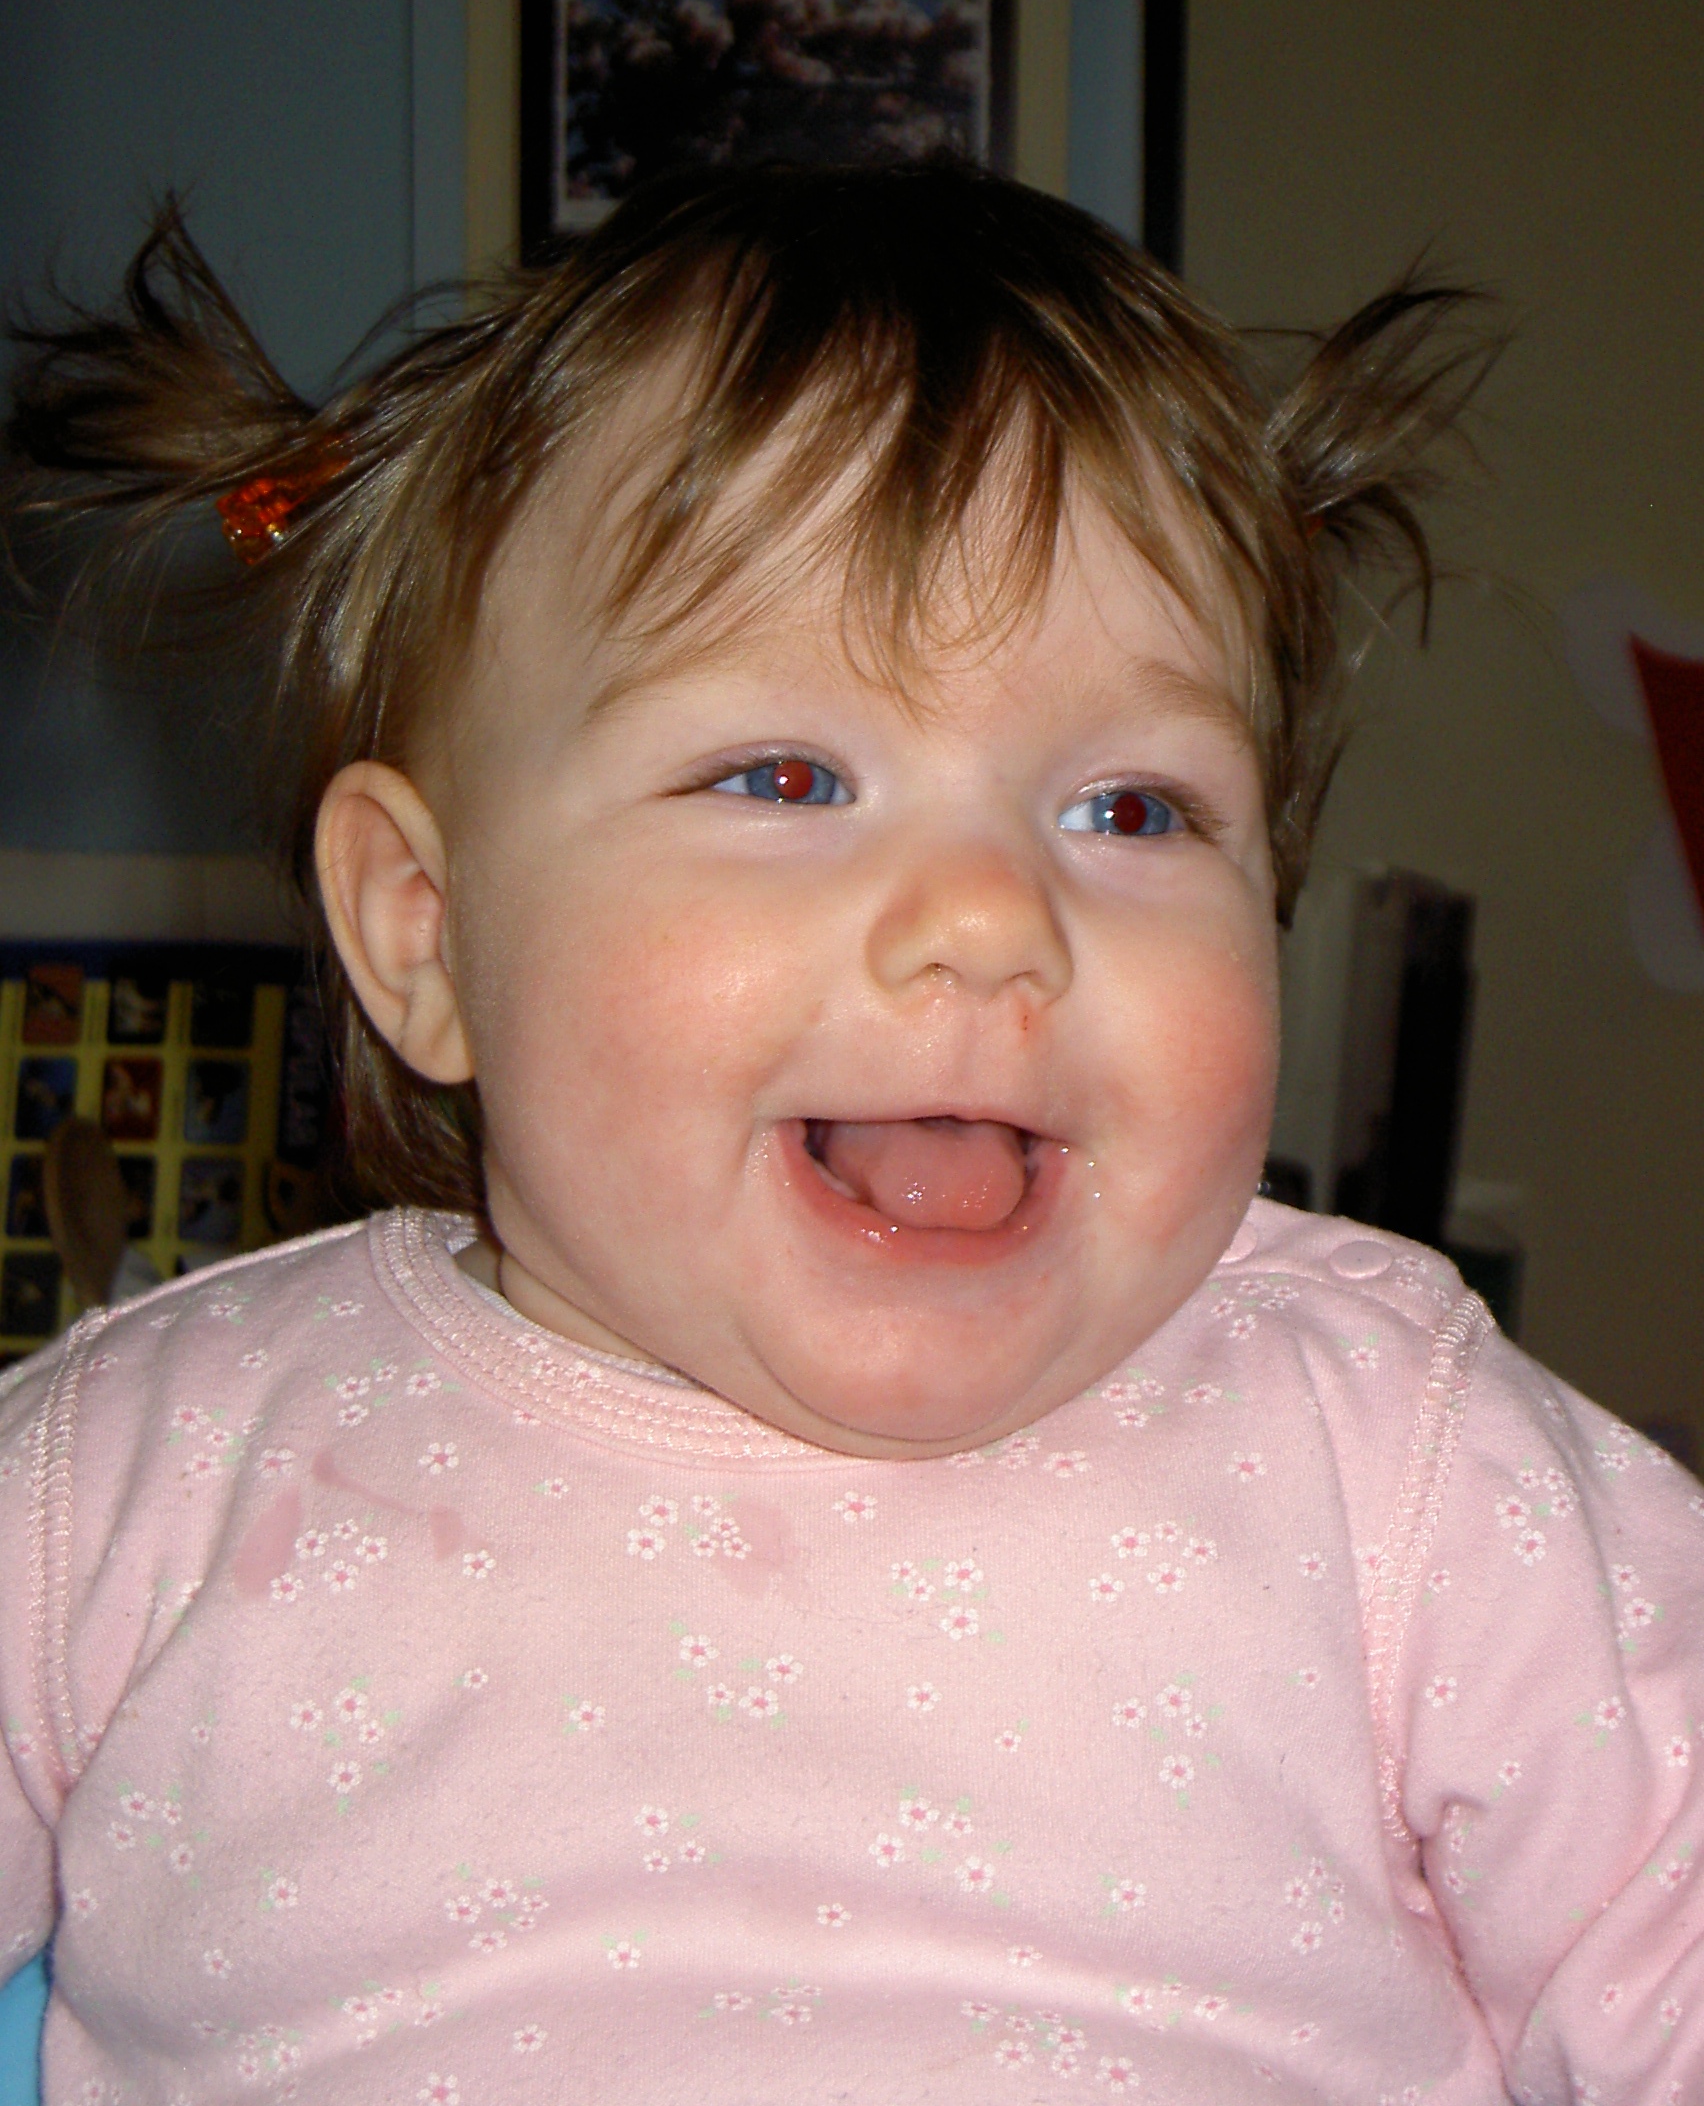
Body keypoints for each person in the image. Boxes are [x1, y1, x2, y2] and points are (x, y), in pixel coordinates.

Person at [0, 163, 1696, 2104]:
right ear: (425, 929)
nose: (989, 915)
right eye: (789, 776)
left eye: (1132, 810)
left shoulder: (1400, 1457)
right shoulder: (138, 1479)